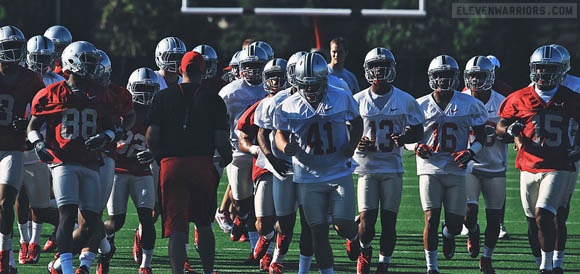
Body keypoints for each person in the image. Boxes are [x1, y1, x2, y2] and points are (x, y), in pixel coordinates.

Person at [30, 41, 116, 274]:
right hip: (63, 162)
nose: (92, 66)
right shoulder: (51, 93)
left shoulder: (100, 94)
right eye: (87, 61)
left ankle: (101, 248)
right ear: (72, 62)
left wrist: (106, 136)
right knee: (67, 216)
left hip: (90, 162)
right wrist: (37, 144)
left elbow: (112, 126)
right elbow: (33, 126)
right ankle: (67, 269)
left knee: (89, 223)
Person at [274, 52, 363, 274]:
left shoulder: (340, 96)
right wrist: (285, 146)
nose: (311, 90)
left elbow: (357, 121)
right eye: (306, 85)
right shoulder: (289, 105)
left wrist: (352, 144)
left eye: (315, 85)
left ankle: (353, 235)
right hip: (307, 177)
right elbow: (279, 133)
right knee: (318, 232)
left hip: (338, 172)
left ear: (325, 80)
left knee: (342, 225)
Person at [146, 50, 232, 274]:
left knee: (177, 229)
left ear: (180, 69)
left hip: (171, 166)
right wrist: (227, 156)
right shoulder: (214, 99)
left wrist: (157, 154)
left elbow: (151, 137)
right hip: (202, 165)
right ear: (204, 72)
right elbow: (221, 139)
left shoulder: (162, 97)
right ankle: (208, 271)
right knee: (204, 224)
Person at [497, 46, 580, 274]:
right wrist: (509, 130)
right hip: (527, 165)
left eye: (549, 68)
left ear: (562, 70)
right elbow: (501, 125)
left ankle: (549, 267)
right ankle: (542, 263)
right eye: (540, 68)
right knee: (532, 223)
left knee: (547, 214)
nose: (543, 73)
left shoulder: (571, 98)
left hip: (559, 165)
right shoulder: (518, 97)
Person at [412, 55, 487, 274]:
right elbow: (409, 138)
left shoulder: (470, 103)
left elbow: (481, 137)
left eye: (447, 75)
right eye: (439, 75)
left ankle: (448, 233)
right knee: (431, 217)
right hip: (429, 168)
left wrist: (470, 152)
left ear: (455, 77)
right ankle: (431, 268)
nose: (443, 80)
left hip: (456, 169)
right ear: (432, 77)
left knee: (455, 224)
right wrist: (416, 147)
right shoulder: (420, 105)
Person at [353, 48, 424, 274]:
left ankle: (384, 263)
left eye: (383, 66)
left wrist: (404, 138)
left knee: (389, 221)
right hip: (366, 168)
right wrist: (356, 141)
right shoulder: (357, 100)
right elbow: (344, 132)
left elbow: (418, 132)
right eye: (375, 66)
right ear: (367, 70)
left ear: (392, 69)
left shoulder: (405, 99)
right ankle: (365, 251)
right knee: (367, 220)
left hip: (393, 167)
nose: (379, 71)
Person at [254, 51, 314, 274]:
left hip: (310, 170)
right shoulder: (276, 100)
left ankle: (296, 267)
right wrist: (270, 159)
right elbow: (262, 133)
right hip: (284, 169)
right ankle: (277, 256)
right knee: (285, 223)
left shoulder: (322, 98)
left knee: (310, 224)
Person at [104, 67, 160, 274]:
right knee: (116, 222)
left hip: (142, 171)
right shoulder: (122, 110)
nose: (145, 93)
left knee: (147, 217)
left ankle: (146, 265)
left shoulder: (158, 112)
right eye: (140, 88)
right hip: (118, 169)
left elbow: (164, 142)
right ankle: (102, 246)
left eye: (149, 88)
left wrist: (154, 154)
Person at [0, 25, 45, 273]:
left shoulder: (31, 78)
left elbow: (43, 112)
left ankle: (6, 256)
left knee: (7, 202)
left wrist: (29, 124)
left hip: (13, 147)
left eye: (17, 47)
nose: (13, 51)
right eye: (8, 47)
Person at [14, 34, 62, 266]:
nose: (42, 62)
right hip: (15, 143)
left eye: (46, 58)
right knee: (19, 196)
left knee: (39, 199)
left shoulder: (55, 81)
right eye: (38, 57)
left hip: (44, 146)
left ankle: (34, 241)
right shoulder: (20, 77)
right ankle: (24, 240)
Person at [237, 58, 288, 272]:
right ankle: (266, 238)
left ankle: (274, 259)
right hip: (266, 166)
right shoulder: (262, 105)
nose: (276, 81)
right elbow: (241, 135)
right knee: (263, 222)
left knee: (286, 221)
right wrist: (254, 149)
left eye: (280, 76)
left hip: (291, 169)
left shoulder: (298, 103)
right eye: (272, 76)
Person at [218, 44, 269, 259]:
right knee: (241, 203)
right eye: (249, 66)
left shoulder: (273, 87)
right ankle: (240, 218)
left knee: (264, 207)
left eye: (258, 66)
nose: (254, 71)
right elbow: (221, 123)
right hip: (238, 153)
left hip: (266, 153)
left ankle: (257, 250)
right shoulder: (230, 92)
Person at [462, 56, 508, 274]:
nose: (475, 80)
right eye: (472, 75)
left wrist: (505, 133)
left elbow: (510, 134)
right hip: (470, 165)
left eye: (480, 75)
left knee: (495, 219)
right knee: (469, 213)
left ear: (490, 76)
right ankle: (472, 230)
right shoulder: (460, 98)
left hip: (496, 165)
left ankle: (487, 258)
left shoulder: (503, 101)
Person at [548, 44, 580, 273]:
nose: (546, 72)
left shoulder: (576, 86)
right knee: (536, 214)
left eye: (553, 67)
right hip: (539, 156)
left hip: (568, 153)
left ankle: (556, 262)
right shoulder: (535, 86)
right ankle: (543, 258)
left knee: (560, 210)